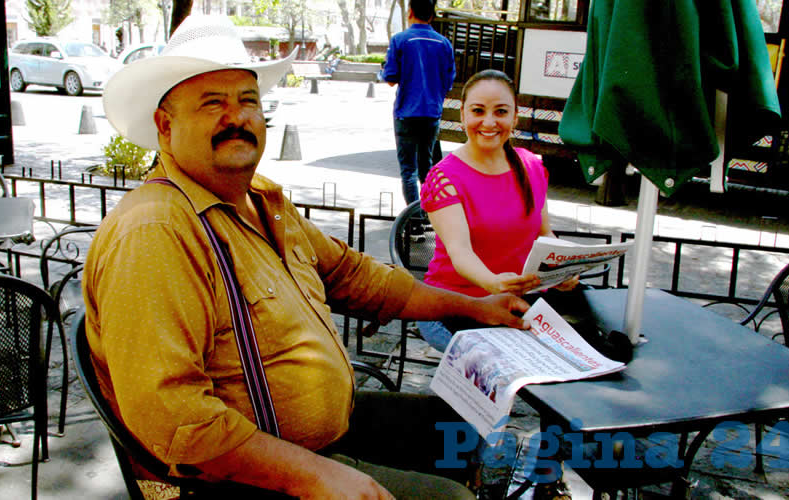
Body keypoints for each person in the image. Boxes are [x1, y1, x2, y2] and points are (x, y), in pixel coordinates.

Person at [84, 15, 532, 500]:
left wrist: (473, 307)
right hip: (234, 478)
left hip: (322, 431)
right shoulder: (156, 231)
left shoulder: (260, 199)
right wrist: (318, 477)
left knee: (458, 429)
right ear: (165, 126)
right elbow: (173, 417)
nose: (236, 118)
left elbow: (354, 277)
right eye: (212, 103)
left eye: (247, 101)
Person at [418, 67, 579, 500]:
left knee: (570, 374)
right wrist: (495, 284)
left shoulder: (531, 166)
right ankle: (469, 480)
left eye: (500, 112)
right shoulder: (443, 176)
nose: (489, 122)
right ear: (463, 113)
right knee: (493, 378)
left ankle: (548, 477)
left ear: (516, 116)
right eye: (478, 111)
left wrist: (562, 270)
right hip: (454, 306)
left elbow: (545, 238)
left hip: (519, 306)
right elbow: (459, 253)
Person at [380, 0, 455, 213]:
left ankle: (415, 222)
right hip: (431, 113)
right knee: (427, 169)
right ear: (432, 16)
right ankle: (430, 216)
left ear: (410, 12)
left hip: (406, 113)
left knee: (409, 172)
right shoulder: (444, 44)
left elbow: (391, 78)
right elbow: (447, 82)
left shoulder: (400, 40)